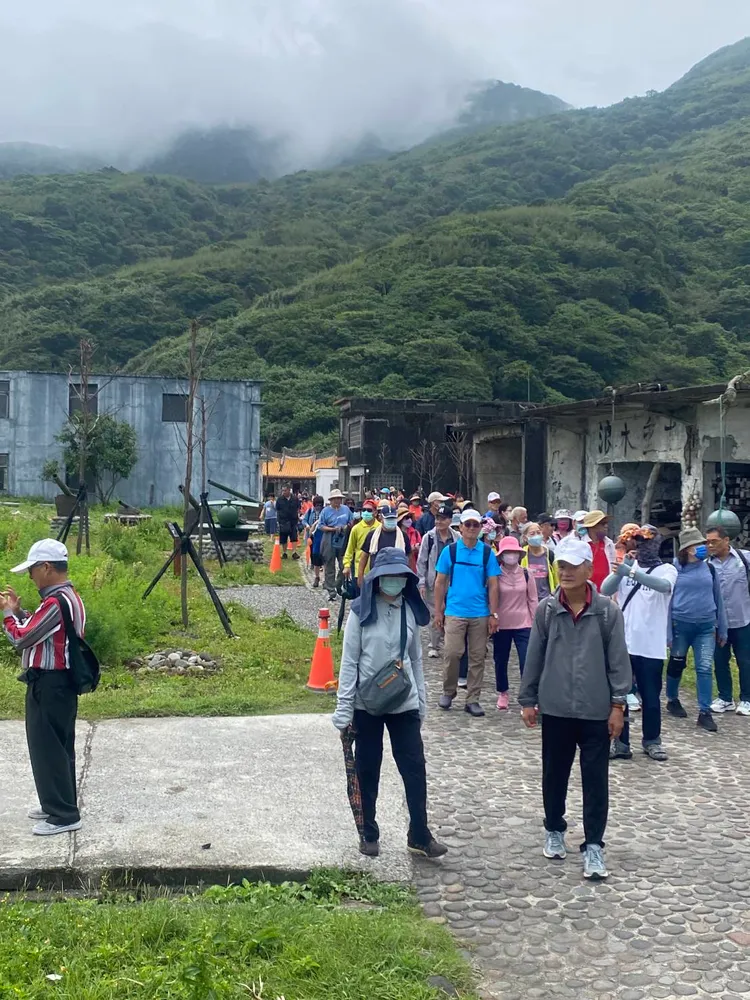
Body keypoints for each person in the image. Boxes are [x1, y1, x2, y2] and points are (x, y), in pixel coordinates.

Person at [519, 536, 631, 880]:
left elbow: (618, 662)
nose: (565, 572)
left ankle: (594, 845)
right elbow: (534, 656)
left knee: (596, 779)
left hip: (596, 709)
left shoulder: (607, 611)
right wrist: (528, 699)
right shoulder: (548, 609)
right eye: (561, 566)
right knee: (554, 774)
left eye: (571, 566)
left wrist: (618, 705)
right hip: (555, 708)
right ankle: (554, 828)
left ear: (588, 568)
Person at [332, 548, 447, 860]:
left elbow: (416, 661)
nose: (394, 581)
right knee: (368, 770)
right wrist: (343, 709)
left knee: (414, 770)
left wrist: (421, 702)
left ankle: (420, 835)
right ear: (376, 578)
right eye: (388, 576)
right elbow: (349, 663)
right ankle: (368, 832)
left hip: (404, 704)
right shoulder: (360, 613)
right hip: (366, 705)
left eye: (400, 576)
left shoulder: (409, 612)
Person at [1, 539, 86, 836]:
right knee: (57, 748)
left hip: (50, 685)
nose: (30, 576)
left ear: (46, 567)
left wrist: (8, 616)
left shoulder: (55, 602)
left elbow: (21, 639)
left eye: (32, 570)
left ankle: (63, 815)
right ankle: (57, 803)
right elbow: (41, 631)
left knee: (47, 748)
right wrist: (21, 614)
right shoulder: (68, 596)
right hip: (58, 685)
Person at [601, 525, 676, 761]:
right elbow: (605, 589)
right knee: (619, 697)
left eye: (646, 542)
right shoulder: (628, 567)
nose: (641, 546)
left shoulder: (667, 570)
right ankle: (620, 743)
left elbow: (664, 587)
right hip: (624, 644)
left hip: (651, 645)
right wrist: (621, 571)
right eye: (637, 541)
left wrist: (632, 573)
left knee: (651, 697)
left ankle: (652, 740)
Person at [434, 508, 501, 717]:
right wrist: (438, 611)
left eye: (475, 525)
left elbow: (493, 584)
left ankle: (473, 699)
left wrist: (493, 614)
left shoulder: (487, 553)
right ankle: (448, 691)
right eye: (468, 524)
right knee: (452, 653)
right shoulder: (451, 551)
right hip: (455, 610)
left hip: (480, 612)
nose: (472, 528)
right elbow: (440, 582)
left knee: (477, 656)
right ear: (460, 527)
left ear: (480, 528)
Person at [665, 528, 727, 731]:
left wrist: (722, 628)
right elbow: (668, 601)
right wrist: (667, 632)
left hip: (706, 626)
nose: (704, 547)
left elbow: (718, 598)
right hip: (680, 624)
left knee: (704, 667)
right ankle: (672, 699)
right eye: (698, 544)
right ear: (688, 549)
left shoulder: (709, 569)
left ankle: (704, 711)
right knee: (677, 663)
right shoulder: (675, 568)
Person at [707, 526, 750, 716]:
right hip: (718, 623)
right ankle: (725, 697)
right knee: (720, 660)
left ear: (726, 540)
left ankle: (747, 699)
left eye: (714, 541)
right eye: (708, 542)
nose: (710, 545)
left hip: (743, 619)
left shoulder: (744, 559)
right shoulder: (707, 564)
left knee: (745, 661)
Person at [493, 536, 539, 710]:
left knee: (527, 659)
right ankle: (503, 692)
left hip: (524, 622)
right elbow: (491, 598)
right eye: (507, 552)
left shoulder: (527, 573)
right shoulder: (495, 574)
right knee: (500, 659)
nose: (511, 555)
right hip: (502, 623)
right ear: (501, 555)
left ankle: (528, 695)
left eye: (514, 552)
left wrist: (535, 622)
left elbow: (533, 599)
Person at [417, 504, 459, 659]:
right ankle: (434, 645)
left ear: (450, 520)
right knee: (435, 612)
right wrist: (421, 581)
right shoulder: (429, 537)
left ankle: (449, 642)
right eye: (437, 518)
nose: (439, 522)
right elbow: (421, 561)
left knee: (451, 613)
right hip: (433, 580)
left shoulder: (456, 538)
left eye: (443, 519)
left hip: (453, 581)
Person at [358, 504, 412, 587]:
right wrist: (360, 576)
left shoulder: (403, 536)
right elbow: (364, 557)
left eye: (393, 518)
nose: (391, 521)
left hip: (396, 578)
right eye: (388, 519)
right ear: (381, 518)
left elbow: (409, 557)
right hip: (376, 577)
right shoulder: (372, 535)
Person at [318, 489, 353, 600]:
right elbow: (321, 526)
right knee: (329, 564)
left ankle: (338, 584)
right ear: (331, 500)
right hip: (329, 536)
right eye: (335, 499)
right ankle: (331, 589)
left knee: (344, 564)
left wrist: (347, 527)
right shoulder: (325, 511)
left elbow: (351, 521)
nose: (338, 500)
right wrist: (333, 529)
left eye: (339, 498)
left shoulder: (346, 509)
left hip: (343, 537)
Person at [343, 500, 377, 590]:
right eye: (364, 510)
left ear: (375, 512)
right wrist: (347, 565)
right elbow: (350, 549)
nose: (366, 512)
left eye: (369, 510)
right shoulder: (356, 529)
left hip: (376, 570)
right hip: (359, 571)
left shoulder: (380, 528)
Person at [579, 510, 616, 591]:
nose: (606, 526)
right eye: (602, 523)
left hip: (606, 594)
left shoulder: (609, 544)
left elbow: (613, 568)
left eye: (606, 523)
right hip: (586, 593)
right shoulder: (580, 545)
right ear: (592, 526)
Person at [521, 523, 559, 601]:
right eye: (532, 534)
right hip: (527, 600)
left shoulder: (549, 554)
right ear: (525, 538)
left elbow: (557, 578)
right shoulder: (521, 554)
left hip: (547, 599)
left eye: (538, 533)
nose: (536, 536)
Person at [304, 496, 326, 588]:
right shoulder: (310, 511)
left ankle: (325, 579)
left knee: (325, 558)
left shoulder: (325, 512)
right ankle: (317, 577)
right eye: (316, 505)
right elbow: (304, 520)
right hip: (312, 537)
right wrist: (307, 525)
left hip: (324, 536)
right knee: (315, 556)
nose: (318, 507)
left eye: (320, 505)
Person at [275, 484, 301, 560]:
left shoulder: (295, 499)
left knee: (294, 537)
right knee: (283, 538)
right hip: (283, 521)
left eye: (285, 490)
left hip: (293, 521)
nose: (283, 492)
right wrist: (279, 520)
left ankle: (294, 552)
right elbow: (277, 509)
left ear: (289, 490)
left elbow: (298, 508)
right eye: (282, 490)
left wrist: (297, 516)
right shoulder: (279, 499)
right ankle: (284, 552)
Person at [397, 507, 422, 572]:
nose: (409, 520)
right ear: (401, 520)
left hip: (413, 568)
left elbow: (422, 551)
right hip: (398, 567)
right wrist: (410, 549)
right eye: (406, 518)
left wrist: (418, 548)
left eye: (410, 517)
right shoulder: (396, 533)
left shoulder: (416, 533)